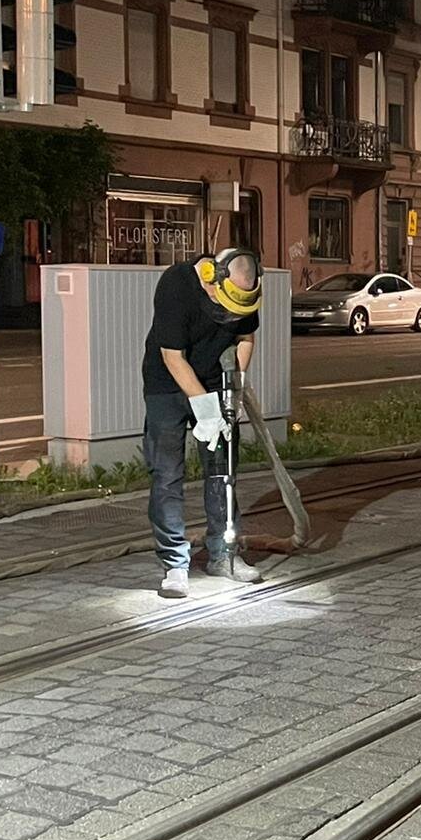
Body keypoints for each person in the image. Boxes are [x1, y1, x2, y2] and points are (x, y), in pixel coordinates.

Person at [142, 248, 265, 598]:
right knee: (167, 474)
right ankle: (174, 565)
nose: (227, 314)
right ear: (212, 276)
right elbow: (172, 356)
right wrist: (205, 409)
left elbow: (246, 338)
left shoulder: (246, 288)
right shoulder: (176, 285)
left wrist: (234, 388)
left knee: (222, 472)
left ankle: (223, 555)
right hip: (166, 384)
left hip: (216, 382)